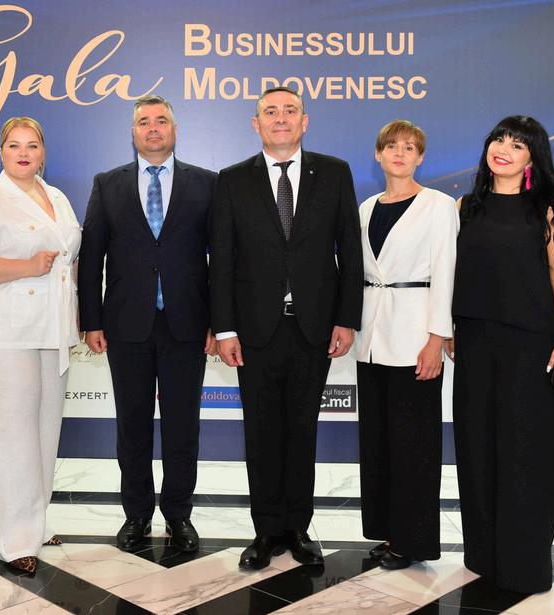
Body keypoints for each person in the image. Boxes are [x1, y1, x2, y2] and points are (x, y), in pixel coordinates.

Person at [209, 86, 363, 570]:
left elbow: (350, 251)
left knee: (302, 430)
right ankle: (265, 531)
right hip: (254, 331)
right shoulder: (232, 180)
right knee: (261, 433)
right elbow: (222, 260)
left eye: (290, 111)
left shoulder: (334, 173)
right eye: (270, 112)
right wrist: (225, 329)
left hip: (313, 329)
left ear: (305, 121)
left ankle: (298, 528)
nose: (281, 118)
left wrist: (347, 318)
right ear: (256, 124)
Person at [79, 95, 217, 553]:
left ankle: (178, 515)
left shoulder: (207, 183)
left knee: (183, 428)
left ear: (175, 129)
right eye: (144, 122)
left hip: (187, 325)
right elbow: (92, 256)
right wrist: (91, 320)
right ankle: (136, 514)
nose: (153, 128)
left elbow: (222, 259)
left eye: (161, 121)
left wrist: (220, 323)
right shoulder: (107, 184)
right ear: (133, 131)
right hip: (126, 326)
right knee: (132, 426)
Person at [450, 115, 554, 593]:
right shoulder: (465, 207)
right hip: (473, 343)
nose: (503, 148)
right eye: (499, 139)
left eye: (518, 144)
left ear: (532, 159)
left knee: (527, 452)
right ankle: (484, 555)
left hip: (530, 346)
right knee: (477, 447)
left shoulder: (551, 210)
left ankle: (524, 564)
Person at [0, 117, 81, 574]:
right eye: (14, 145)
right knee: (9, 436)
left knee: (44, 431)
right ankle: (10, 541)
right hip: (3, 335)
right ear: (1, 153)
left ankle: (34, 522)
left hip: (52, 330)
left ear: (43, 152)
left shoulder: (58, 197)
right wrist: (27, 267)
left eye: (31, 145)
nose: (23, 153)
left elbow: (70, 259)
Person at [354, 120, 458, 570]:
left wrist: (437, 338)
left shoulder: (438, 205)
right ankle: (389, 531)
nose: (400, 153)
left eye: (410, 147)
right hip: (370, 339)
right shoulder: (365, 208)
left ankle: (412, 541)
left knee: (414, 445)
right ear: (378, 154)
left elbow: (446, 272)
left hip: (416, 338)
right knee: (378, 443)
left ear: (421, 157)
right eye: (392, 146)